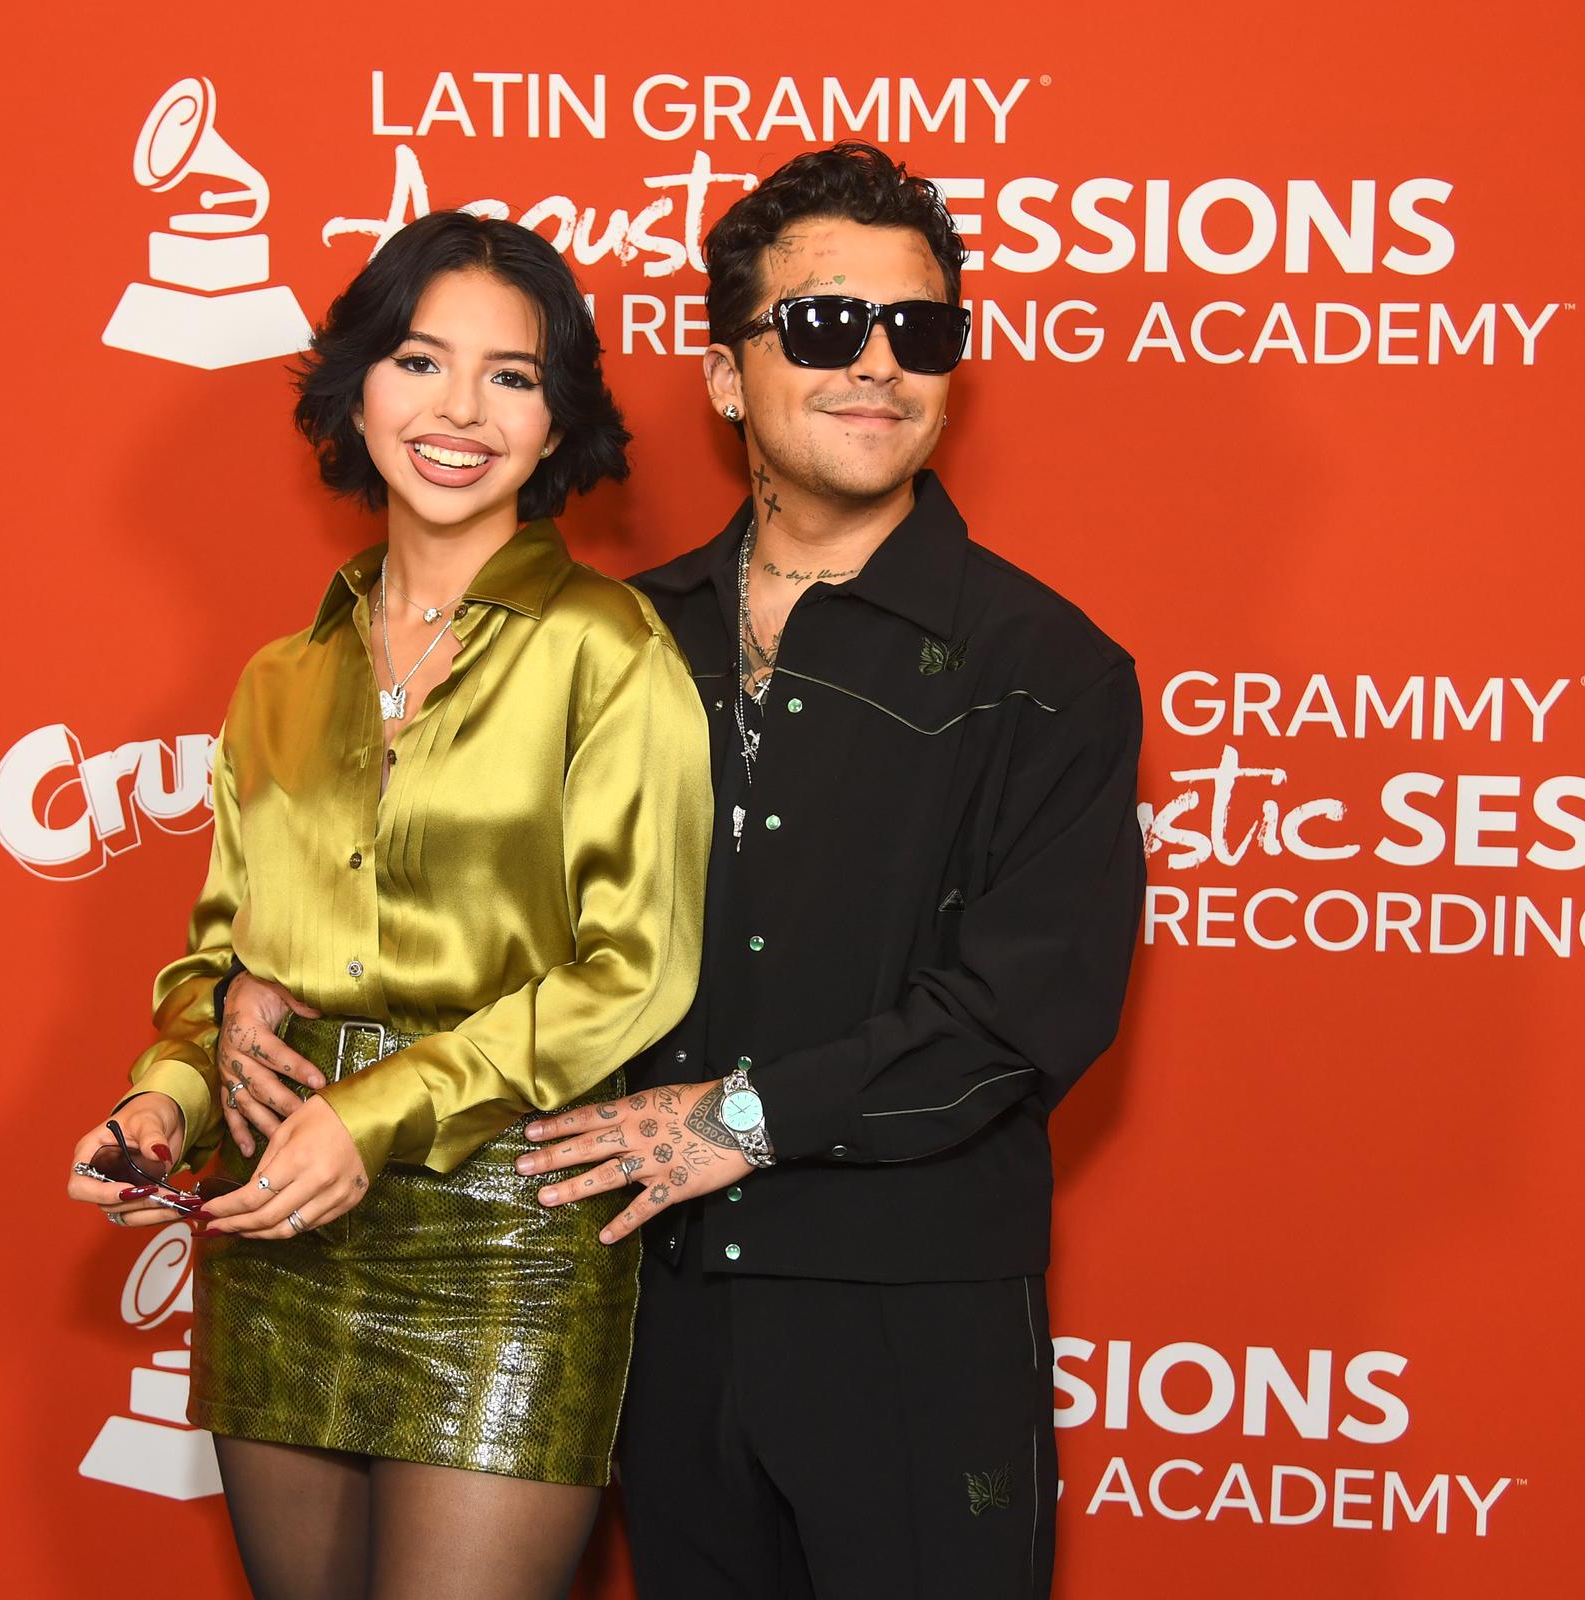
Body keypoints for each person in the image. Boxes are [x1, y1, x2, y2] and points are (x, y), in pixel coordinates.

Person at [518, 142, 1145, 1599]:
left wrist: (742, 1115)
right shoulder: (620, 638)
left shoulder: (1046, 670)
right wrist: (251, 985)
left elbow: (1024, 1014)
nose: (877, 365)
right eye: (821, 326)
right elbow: (483, 914)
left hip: (911, 1324)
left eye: (921, 332)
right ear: (728, 374)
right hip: (655, 1314)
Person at [65, 211, 711, 1600]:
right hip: (274, 1212)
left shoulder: (610, 650)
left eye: (513, 376)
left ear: (558, 425)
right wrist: (163, 1100)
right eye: (421, 359)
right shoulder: (279, 679)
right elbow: (221, 960)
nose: (459, 409)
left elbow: (636, 969)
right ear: (358, 387)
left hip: (506, 1218)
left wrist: (377, 1109)